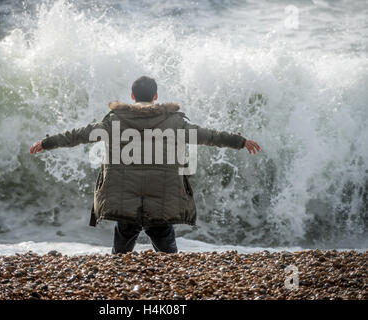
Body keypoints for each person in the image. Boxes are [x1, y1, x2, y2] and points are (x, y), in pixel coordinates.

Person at [30, 76, 261, 254]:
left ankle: (118, 277)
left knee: (122, 242)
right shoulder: (176, 122)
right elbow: (210, 136)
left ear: (132, 96)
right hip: (161, 198)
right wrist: (240, 141)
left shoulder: (113, 121)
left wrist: (46, 142)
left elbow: (77, 135)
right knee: (165, 246)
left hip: (124, 199)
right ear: (156, 95)